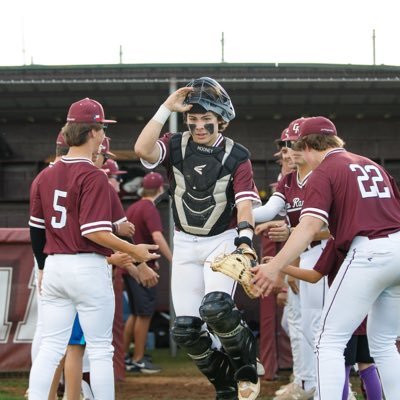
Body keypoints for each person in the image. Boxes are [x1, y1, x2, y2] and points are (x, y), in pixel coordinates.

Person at [253, 116, 400, 399]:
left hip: (368, 251)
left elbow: (308, 228)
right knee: (383, 343)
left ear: (307, 146)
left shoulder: (324, 172)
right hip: (397, 248)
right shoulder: (371, 164)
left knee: (327, 340)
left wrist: (275, 265)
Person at [134, 77, 262, 400]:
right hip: (186, 242)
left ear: (223, 121)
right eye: (193, 121)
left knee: (217, 308)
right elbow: (141, 149)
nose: (200, 127)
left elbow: (245, 203)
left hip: (221, 238)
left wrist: (245, 243)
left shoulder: (238, 156)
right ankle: (225, 386)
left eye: (207, 121)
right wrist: (166, 108)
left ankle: (247, 362)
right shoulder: (175, 144)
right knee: (186, 331)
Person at [28, 97, 160, 400]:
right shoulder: (94, 176)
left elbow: (36, 230)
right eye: (101, 129)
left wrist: (43, 267)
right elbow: (94, 231)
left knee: (49, 348)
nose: (102, 135)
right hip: (87, 266)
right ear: (91, 133)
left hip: (55, 265)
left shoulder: (44, 175)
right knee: (101, 350)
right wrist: (134, 250)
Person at [254, 118, 331, 399]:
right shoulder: (288, 179)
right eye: (286, 146)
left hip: (324, 255)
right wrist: (236, 211)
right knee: (303, 325)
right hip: (305, 255)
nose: (289, 151)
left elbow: (334, 228)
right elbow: (267, 210)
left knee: (319, 328)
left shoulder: (323, 174)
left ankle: (324, 385)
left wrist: (295, 235)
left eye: (295, 145)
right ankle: (309, 383)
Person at [123, 172, 173, 373]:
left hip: (130, 266)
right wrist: (173, 259)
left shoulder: (134, 206)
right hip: (142, 270)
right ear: (160, 189)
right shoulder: (149, 208)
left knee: (135, 314)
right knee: (144, 315)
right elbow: (157, 237)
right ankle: (138, 359)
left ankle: (125, 357)